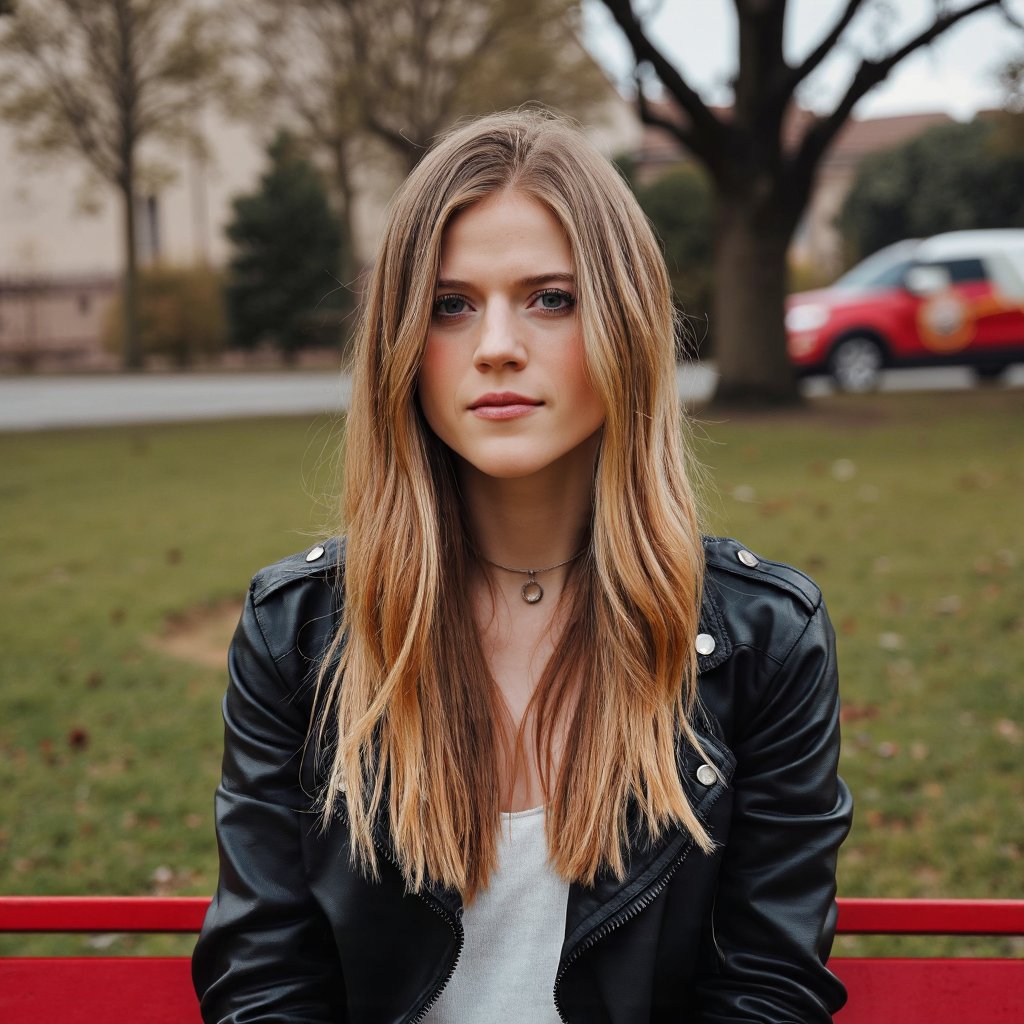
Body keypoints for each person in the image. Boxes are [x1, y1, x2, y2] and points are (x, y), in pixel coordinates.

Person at [191, 108, 853, 1023]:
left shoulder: (765, 643)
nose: (497, 344)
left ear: (624, 325)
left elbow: (767, 989)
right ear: (402, 348)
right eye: (451, 305)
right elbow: (264, 984)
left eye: (551, 298)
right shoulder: (298, 636)